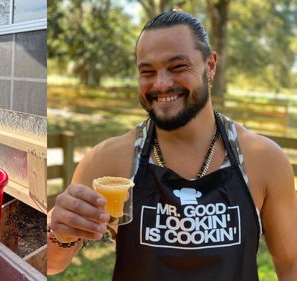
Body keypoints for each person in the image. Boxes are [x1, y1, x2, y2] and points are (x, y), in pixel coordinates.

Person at [47, 10, 297, 281]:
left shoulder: (264, 159)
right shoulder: (107, 160)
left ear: (210, 65)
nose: (162, 84)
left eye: (178, 67)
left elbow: (291, 264)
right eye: (147, 71)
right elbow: (51, 263)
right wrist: (59, 232)